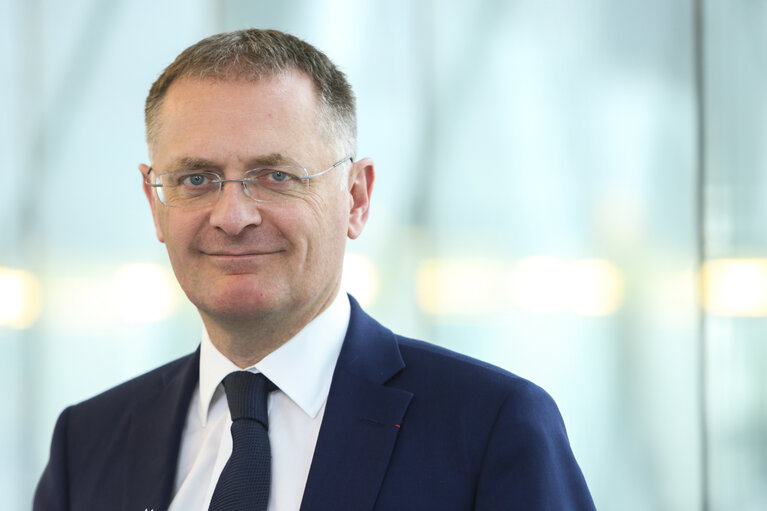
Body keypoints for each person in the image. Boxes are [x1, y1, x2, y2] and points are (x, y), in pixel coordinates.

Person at [34, 29, 596, 511]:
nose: (232, 217)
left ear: (356, 197)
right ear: (155, 202)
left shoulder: (490, 427)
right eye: (196, 179)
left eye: (276, 175)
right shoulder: (88, 442)